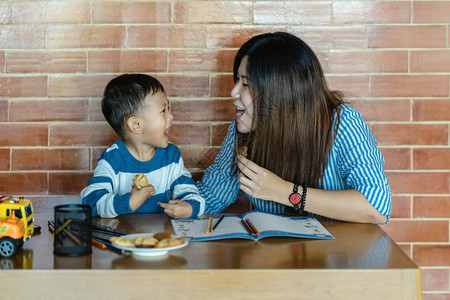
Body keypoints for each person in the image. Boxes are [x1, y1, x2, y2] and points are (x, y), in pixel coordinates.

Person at [190, 32, 391, 224]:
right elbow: (213, 195)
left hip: (337, 255)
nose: (233, 91)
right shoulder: (242, 128)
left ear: (279, 92)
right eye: (237, 80)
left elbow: (376, 207)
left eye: (246, 84)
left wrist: (285, 192)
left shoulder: (342, 123)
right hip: (274, 255)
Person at [81, 74, 205, 218]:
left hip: (161, 237)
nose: (171, 116)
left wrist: (190, 207)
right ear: (136, 125)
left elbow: (191, 194)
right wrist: (129, 202)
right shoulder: (112, 159)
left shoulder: (171, 156)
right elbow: (90, 202)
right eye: (164, 111)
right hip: (121, 237)